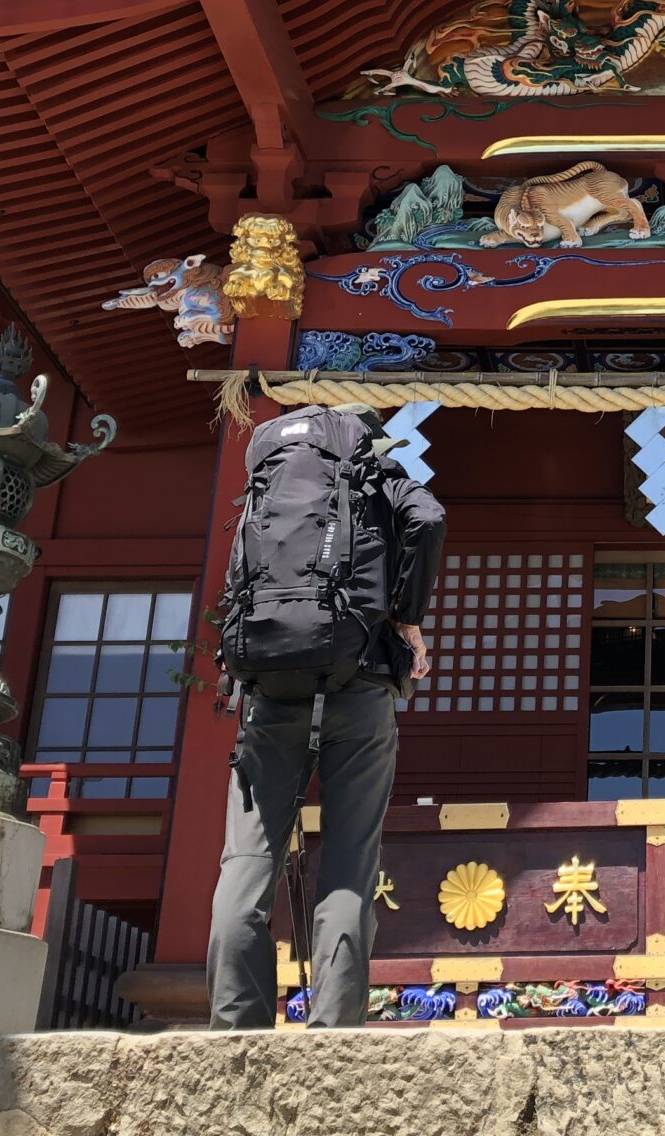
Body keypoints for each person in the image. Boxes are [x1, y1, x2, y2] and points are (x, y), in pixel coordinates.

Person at [207, 404, 445, 1029]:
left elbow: (239, 583)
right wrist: (407, 618)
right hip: (360, 687)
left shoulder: (267, 486)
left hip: (269, 690)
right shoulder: (375, 471)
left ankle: (235, 1029)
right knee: (347, 860)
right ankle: (334, 1030)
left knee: (246, 862)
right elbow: (428, 517)